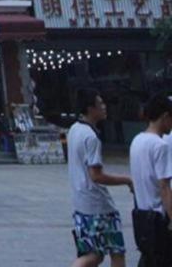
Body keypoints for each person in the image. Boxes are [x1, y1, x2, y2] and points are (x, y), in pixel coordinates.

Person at [67, 88, 133, 267]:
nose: (104, 107)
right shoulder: (91, 137)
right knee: (117, 251)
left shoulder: (74, 129)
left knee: (94, 255)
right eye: (100, 103)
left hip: (81, 203)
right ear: (90, 108)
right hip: (98, 205)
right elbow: (96, 175)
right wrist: (127, 180)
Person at [128, 92, 172, 266]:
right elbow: (164, 187)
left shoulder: (137, 140)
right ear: (165, 116)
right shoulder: (160, 145)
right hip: (159, 219)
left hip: (142, 216)